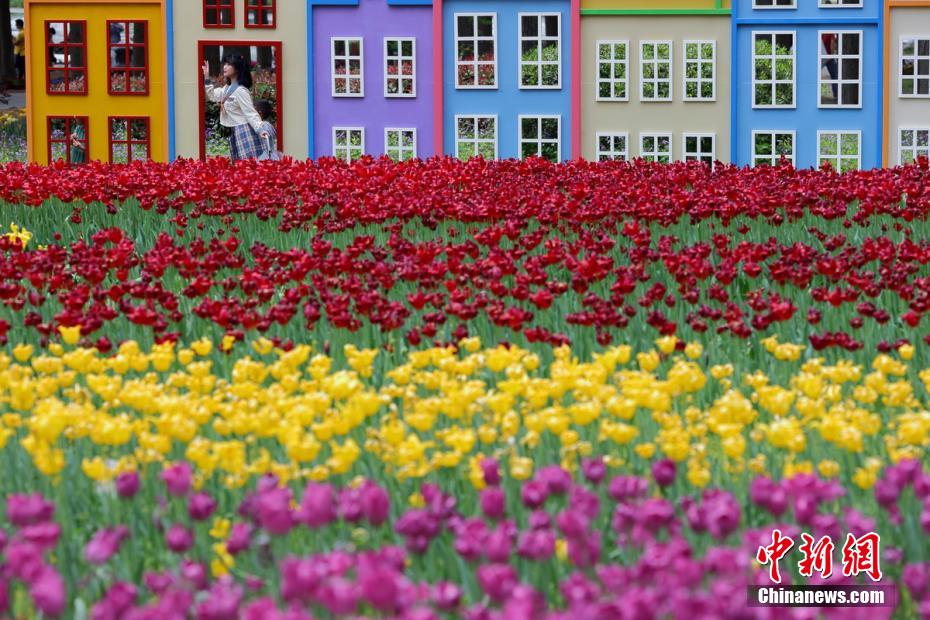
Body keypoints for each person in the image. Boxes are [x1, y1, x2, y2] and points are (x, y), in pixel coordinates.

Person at [202, 54, 268, 161]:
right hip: (234, 131)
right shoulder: (227, 88)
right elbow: (212, 96)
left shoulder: (241, 91)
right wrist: (206, 76)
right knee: (238, 166)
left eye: (229, 64)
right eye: (225, 63)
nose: (224, 67)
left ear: (237, 68)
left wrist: (261, 130)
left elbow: (250, 113)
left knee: (247, 166)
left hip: (244, 132)